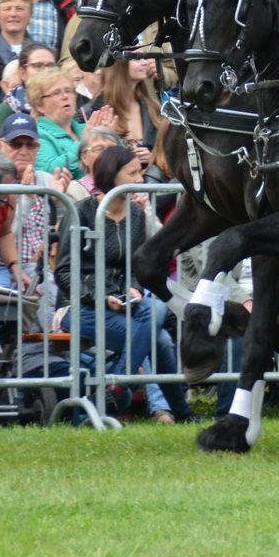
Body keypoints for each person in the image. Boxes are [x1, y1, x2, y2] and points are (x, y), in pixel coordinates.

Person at [55, 144, 195, 423]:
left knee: (156, 312)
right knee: (161, 340)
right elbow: (64, 273)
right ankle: (176, 410)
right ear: (112, 175)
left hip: (127, 306)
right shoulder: (81, 212)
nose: (141, 180)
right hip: (83, 307)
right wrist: (100, 297)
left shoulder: (135, 214)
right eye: (133, 173)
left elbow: (135, 266)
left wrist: (134, 288)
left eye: (140, 172)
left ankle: (114, 391)